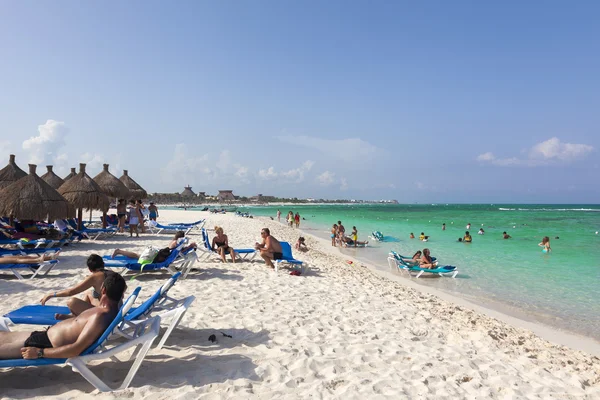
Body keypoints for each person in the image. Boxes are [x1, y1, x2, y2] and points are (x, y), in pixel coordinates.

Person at [0, 273, 126, 360]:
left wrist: (39, 353)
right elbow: (80, 326)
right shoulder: (104, 310)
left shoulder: (101, 316)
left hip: (44, 345)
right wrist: (66, 319)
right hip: (42, 336)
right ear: (122, 294)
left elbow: (76, 349)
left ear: (103, 290)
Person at [40, 254, 118, 319]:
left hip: (105, 315)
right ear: (103, 264)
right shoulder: (114, 274)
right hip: (116, 311)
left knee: (71, 302)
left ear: (90, 269)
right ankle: (74, 315)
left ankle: (77, 317)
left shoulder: (94, 277)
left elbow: (70, 292)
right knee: (89, 293)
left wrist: (51, 294)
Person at [111, 231, 196, 261]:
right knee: (137, 256)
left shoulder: (174, 241)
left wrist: (188, 246)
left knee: (137, 255)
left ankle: (119, 251)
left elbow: (178, 250)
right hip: (158, 257)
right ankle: (119, 251)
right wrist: (189, 247)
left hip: (159, 253)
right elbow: (179, 252)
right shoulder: (175, 243)